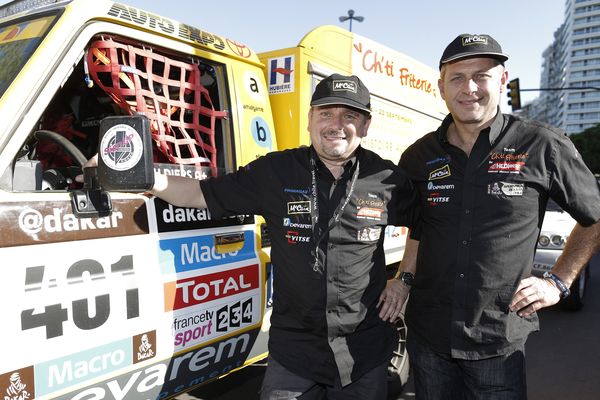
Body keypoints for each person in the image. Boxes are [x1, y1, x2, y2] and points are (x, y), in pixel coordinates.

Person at [145, 74, 417, 399]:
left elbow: (428, 225)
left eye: (350, 115)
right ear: (310, 119)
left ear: (366, 124)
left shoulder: (387, 178)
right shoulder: (275, 171)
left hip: (363, 354)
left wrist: (404, 278)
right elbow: (197, 194)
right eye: (326, 113)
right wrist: (144, 177)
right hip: (294, 356)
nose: (336, 124)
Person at [383, 34, 600, 399]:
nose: (469, 88)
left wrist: (559, 281)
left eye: (481, 75)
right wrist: (403, 278)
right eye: (456, 77)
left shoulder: (542, 144)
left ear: (502, 80)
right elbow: (421, 228)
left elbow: (594, 216)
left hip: (497, 342)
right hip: (429, 338)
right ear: (441, 87)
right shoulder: (419, 156)